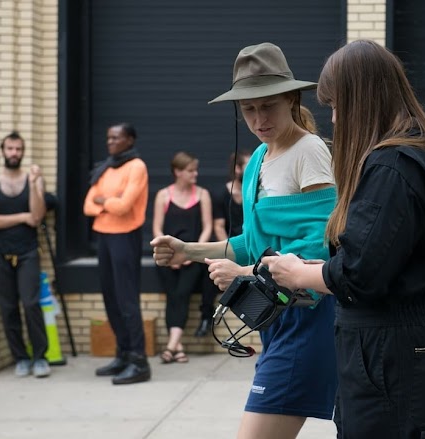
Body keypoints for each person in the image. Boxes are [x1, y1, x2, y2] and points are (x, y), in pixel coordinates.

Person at [260, 40, 425, 439]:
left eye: (337, 105)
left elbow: (359, 275)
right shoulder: (422, 155)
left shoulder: (391, 165)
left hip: (394, 364)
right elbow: (385, 261)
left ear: (363, 99)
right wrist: (323, 269)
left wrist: (299, 274)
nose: (335, 119)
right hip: (412, 359)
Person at [151, 42, 337, 439]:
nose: (258, 118)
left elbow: (320, 248)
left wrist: (244, 274)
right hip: (277, 319)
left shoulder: (309, 151)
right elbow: (251, 242)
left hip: (308, 319)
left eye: (268, 105)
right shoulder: (257, 160)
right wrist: (187, 250)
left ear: (291, 99)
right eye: (248, 109)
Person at [84, 122, 151, 385]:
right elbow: (88, 205)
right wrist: (106, 203)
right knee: (110, 298)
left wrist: (104, 201)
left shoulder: (136, 167)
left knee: (126, 299)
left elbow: (124, 207)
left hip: (125, 236)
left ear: (130, 140)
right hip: (104, 235)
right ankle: (123, 354)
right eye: (108, 138)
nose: (110, 142)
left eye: (116, 138)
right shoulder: (106, 167)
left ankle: (139, 361)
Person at [0, 131, 50, 378]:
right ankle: (20, 357)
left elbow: (37, 216)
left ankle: (40, 357)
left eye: (18, 149)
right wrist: (22, 217)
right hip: (0, 252)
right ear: (3, 150)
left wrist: (33, 184)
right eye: (10, 149)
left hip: (28, 252)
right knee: (8, 306)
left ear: (23, 152)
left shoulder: (34, 181)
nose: (14, 153)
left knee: (31, 304)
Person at [152, 151, 213, 362]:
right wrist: (169, 254)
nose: (195, 174)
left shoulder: (202, 195)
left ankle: (170, 347)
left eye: (195, 170)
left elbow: (207, 227)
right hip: (167, 257)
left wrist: (191, 252)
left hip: (192, 256)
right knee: (173, 296)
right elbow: (157, 228)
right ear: (178, 172)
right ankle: (177, 347)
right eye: (190, 170)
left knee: (182, 294)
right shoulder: (163, 195)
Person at [194, 149, 251, 338]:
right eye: (248, 165)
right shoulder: (221, 194)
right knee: (211, 271)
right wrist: (229, 252)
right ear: (237, 169)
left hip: (251, 246)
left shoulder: (254, 192)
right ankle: (206, 317)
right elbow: (218, 226)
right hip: (231, 245)